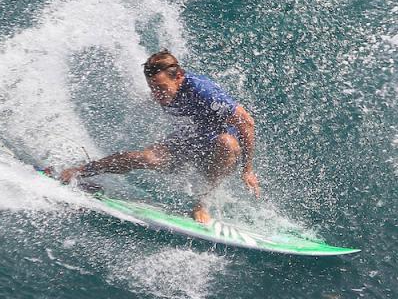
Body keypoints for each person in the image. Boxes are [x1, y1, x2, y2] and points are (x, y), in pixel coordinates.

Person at [53, 50, 259, 224]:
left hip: (219, 151)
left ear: (179, 77)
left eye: (161, 88)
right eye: (152, 88)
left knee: (227, 143)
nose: (157, 95)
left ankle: (202, 204)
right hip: (191, 141)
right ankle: (80, 171)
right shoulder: (166, 88)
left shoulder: (204, 92)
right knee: (144, 157)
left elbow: (247, 122)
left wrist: (247, 170)